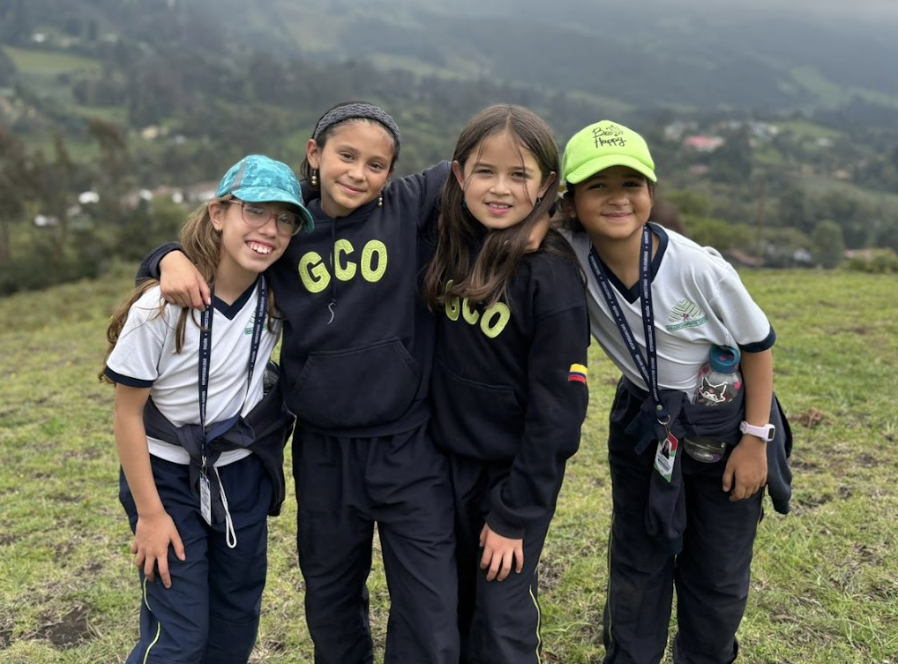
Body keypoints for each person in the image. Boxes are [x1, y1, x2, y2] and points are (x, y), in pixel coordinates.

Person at [135, 102, 460, 664]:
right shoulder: (289, 228)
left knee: (428, 609)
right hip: (323, 451)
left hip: (409, 446)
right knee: (331, 600)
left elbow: (486, 170)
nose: (358, 173)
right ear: (315, 153)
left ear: (392, 171)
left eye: (376, 164)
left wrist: (535, 221)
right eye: (346, 156)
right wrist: (164, 258)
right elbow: (219, 244)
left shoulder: (408, 206)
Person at [558, 120, 792, 664]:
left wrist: (755, 440)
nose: (617, 198)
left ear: (651, 191)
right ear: (570, 200)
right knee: (637, 564)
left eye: (631, 184)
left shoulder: (697, 268)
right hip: (644, 419)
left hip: (724, 422)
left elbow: (757, 346)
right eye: (597, 185)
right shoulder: (567, 255)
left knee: (718, 573)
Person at [101, 154, 311, 663]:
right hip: (165, 479)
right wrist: (150, 515)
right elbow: (127, 414)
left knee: (236, 619)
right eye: (255, 211)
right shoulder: (160, 307)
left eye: (286, 220)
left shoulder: (278, 297)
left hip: (241, 477)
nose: (270, 229)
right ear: (218, 213)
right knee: (180, 635)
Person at [422, 104, 590, 663]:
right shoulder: (447, 239)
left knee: (500, 619)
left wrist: (514, 515)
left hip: (512, 478)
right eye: (485, 171)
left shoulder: (551, 276)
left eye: (519, 175)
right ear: (458, 174)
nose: (500, 188)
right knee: (444, 606)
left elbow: (558, 415)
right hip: (442, 467)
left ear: (546, 185)